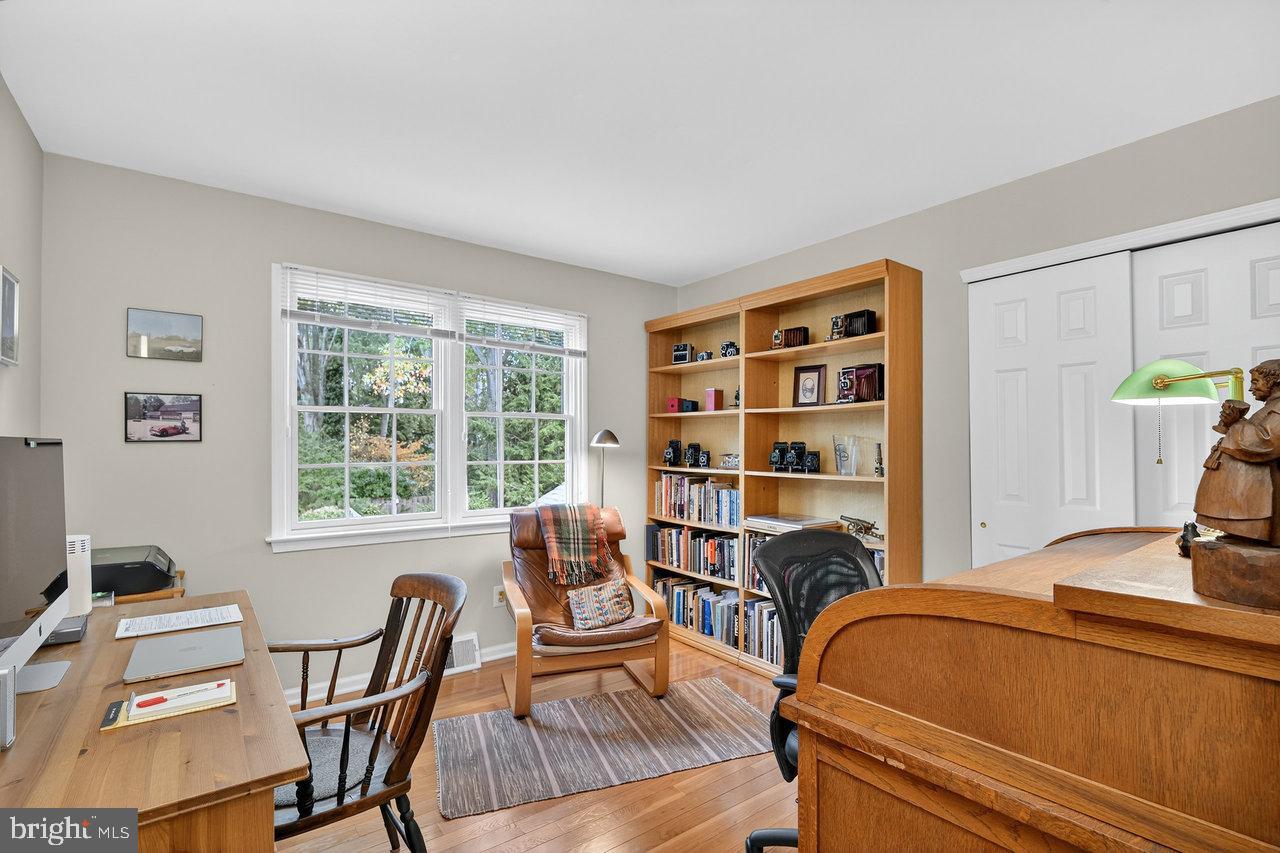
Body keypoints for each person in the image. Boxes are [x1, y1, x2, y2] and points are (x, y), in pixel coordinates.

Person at [1194, 359, 1280, 546]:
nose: (1251, 389)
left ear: (1275, 381)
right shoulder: (1271, 408)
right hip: (1244, 505)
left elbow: (1267, 442)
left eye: (1256, 382)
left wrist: (1237, 422)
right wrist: (1233, 423)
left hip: (1255, 502)